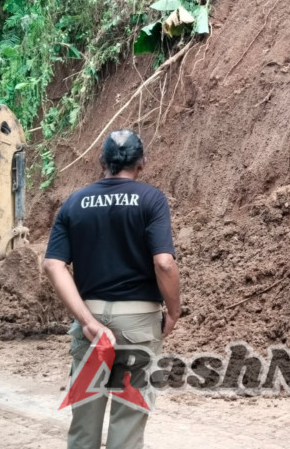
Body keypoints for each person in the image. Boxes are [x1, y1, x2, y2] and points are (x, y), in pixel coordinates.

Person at [44, 129, 181, 449]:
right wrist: (174, 310)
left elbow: (53, 264)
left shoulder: (74, 203)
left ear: (101, 161)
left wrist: (88, 321)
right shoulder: (151, 200)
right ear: (142, 163)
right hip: (139, 325)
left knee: (84, 427)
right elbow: (164, 263)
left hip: (90, 322)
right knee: (128, 424)